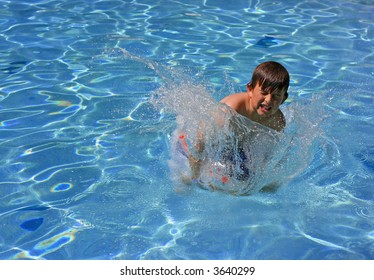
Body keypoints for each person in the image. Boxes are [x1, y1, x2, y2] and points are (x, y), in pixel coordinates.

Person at [181, 61, 290, 190]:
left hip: (237, 149)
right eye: (264, 92)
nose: (268, 100)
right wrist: (195, 178)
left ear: (284, 98)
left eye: (276, 96)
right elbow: (199, 144)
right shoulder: (229, 112)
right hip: (196, 144)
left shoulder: (277, 121)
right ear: (250, 89)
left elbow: (267, 155)